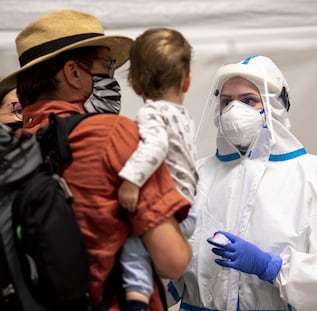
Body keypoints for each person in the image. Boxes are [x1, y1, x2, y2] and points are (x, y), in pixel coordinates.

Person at [1, 9, 192, 311]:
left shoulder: (13, 145)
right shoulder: (113, 134)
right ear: (73, 73)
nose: (111, 78)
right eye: (107, 66)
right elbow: (172, 260)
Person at [167, 56, 317, 311]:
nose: (234, 111)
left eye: (249, 100)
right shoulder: (196, 176)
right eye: (226, 102)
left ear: (275, 106)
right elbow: (161, 262)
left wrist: (274, 269)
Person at [83, 27, 198, 311]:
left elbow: (155, 146)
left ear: (134, 84)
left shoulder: (151, 113)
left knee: (133, 249)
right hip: (189, 208)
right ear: (187, 80)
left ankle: (135, 303)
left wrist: (131, 181)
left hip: (171, 207)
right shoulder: (184, 117)